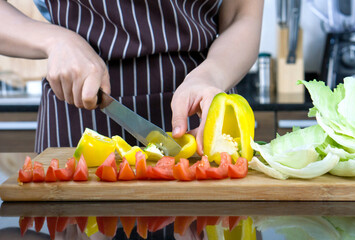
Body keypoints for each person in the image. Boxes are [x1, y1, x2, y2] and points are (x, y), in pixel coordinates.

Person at [0, 0, 263, 155]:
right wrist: (54, 40)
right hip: (79, 106)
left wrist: (212, 75)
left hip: (201, 103)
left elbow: (243, 15)